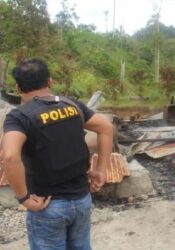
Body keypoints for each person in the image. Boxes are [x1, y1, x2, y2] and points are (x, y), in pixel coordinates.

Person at [1, 58, 113, 250]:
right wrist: (100, 170)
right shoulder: (73, 105)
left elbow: (10, 156)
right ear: (50, 81)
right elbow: (106, 128)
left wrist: (24, 198)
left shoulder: (19, 117)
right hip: (82, 201)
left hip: (47, 205)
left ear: (18, 88)